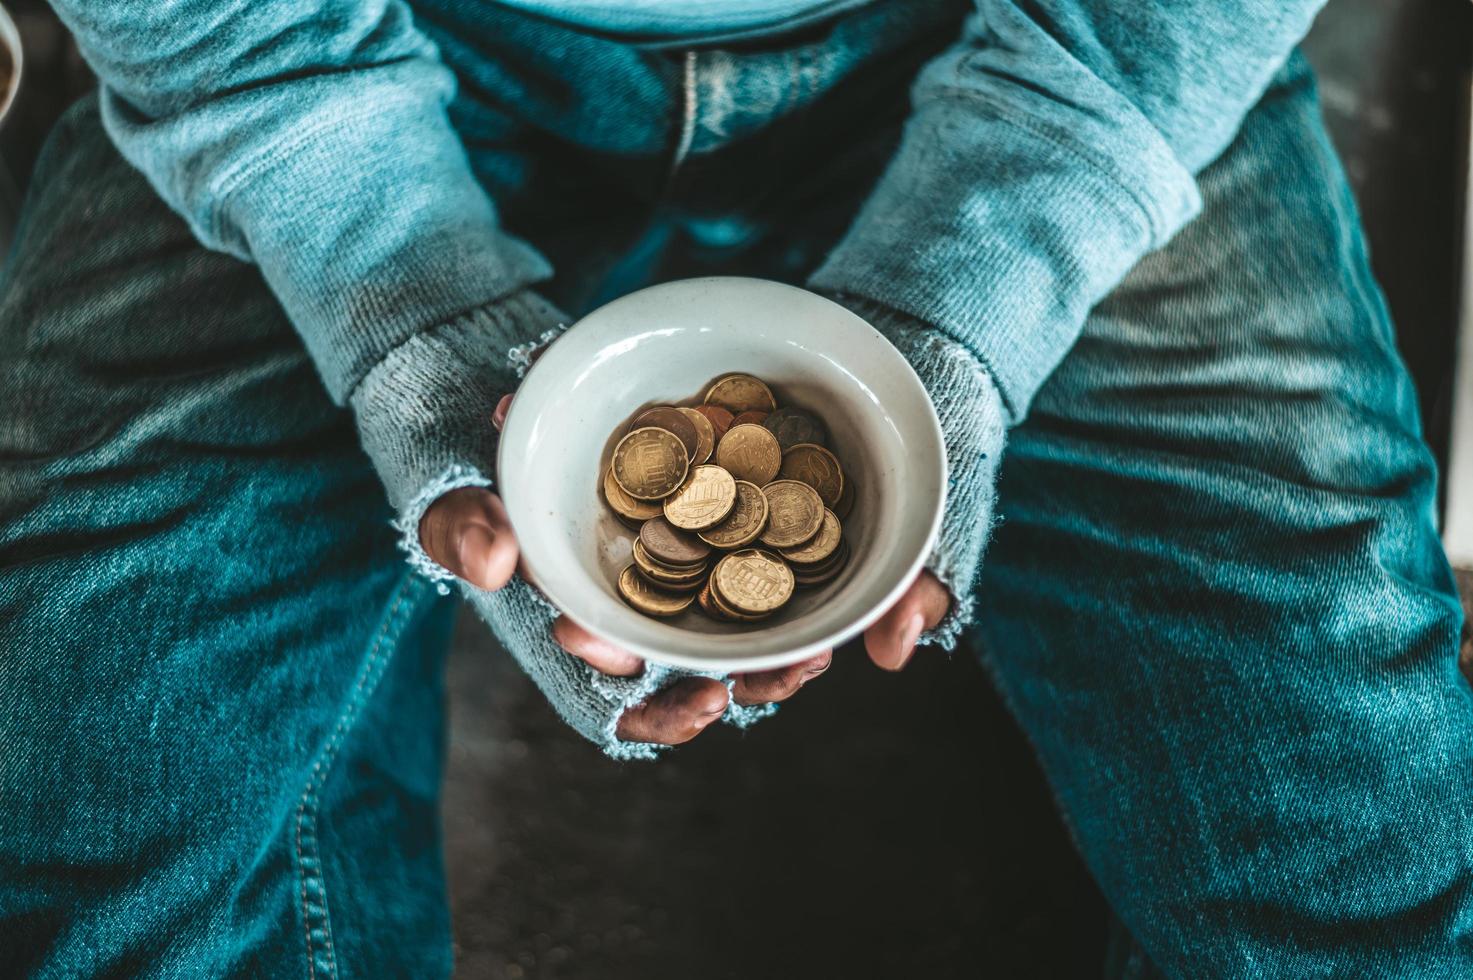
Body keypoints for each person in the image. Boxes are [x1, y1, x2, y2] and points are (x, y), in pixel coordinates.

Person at [1, 0, 1468, 975]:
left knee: (1343, 851)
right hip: (313, 43)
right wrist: (398, 313)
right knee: (88, 843)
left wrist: (979, 289)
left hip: (1072, 44)